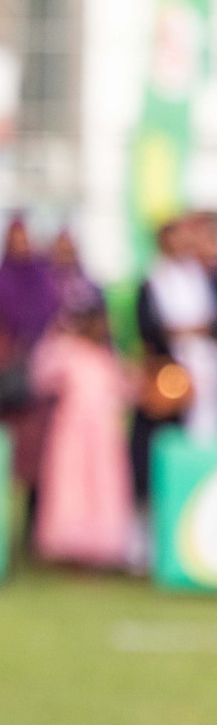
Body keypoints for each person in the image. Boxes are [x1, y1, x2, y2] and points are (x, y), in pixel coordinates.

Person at [30, 291, 136, 568]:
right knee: (72, 489)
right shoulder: (67, 351)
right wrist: (57, 333)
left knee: (102, 488)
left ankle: (102, 548)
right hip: (73, 435)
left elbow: (126, 390)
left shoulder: (107, 357)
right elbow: (41, 375)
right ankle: (69, 547)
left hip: (103, 436)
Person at [0, 217, 60, 504]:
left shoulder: (46, 282)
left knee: (41, 466)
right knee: (2, 465)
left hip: (39, 390)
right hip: (5, 388)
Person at [132, 215, 217, 508]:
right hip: (172, 375)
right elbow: (153, 330)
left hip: (206, 369)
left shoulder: (202, 277)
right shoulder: (154, 281)